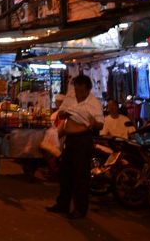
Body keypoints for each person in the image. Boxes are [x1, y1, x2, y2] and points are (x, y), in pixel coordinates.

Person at [46, 74, 104, 220]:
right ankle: (63, 204)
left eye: (81, 90)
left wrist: (93, 123)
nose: (78, 93)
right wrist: (63, 114)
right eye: (76, 89)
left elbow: (100, 123)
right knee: (65, 173)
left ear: (88, 90)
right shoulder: (70, 96)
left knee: (81, 175)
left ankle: (80, 209)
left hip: (83, 140)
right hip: (70, 138)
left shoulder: (94, 103)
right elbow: (61, 113)